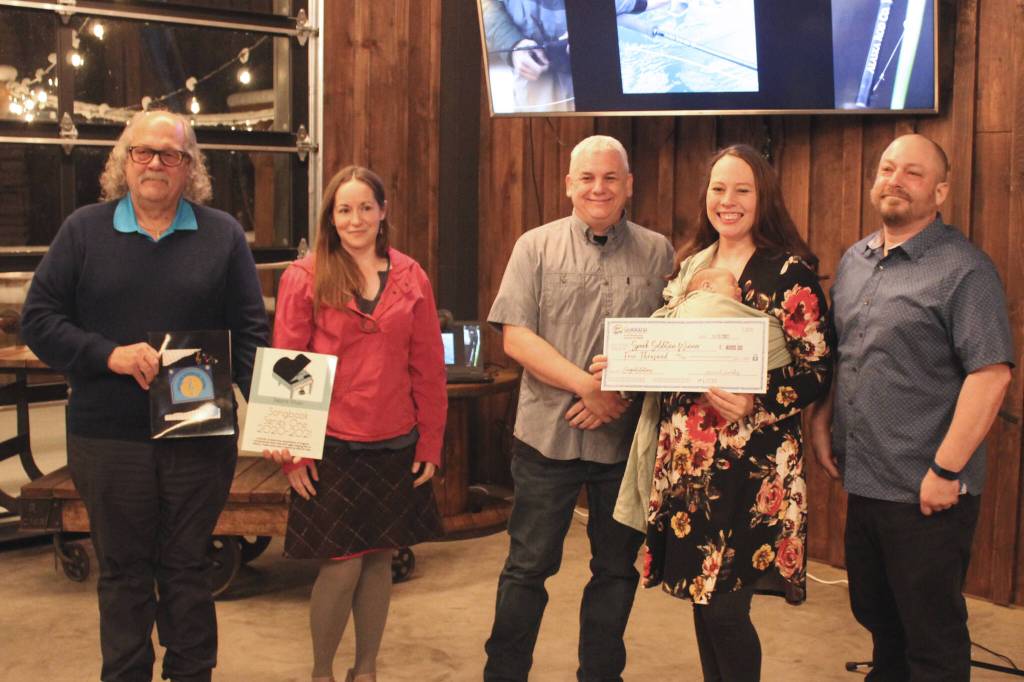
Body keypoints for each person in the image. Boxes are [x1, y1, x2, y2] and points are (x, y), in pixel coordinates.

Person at [21, 109, 269, 682]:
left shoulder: (223, 235)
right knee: (124, 575)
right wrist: (108, 354)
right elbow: (39, 319)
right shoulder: (84, 230)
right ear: (124, 161)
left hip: (200, 441)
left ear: (190, 168)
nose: (156, 163)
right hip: (108, 440)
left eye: (171, 154)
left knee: (187, 570)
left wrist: (282, 424)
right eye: (144, 152)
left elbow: (251, 336)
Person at [614, 143, 833, 682]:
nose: (727, 201)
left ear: (764, 198)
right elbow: (670, 349)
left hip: (751, 471)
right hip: (687, 464)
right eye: (717, 188)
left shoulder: (788, 273)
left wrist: (757, 397)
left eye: (742, 190)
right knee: (702, 599)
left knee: (726, 608)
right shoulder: (692, 265)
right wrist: (623, 363)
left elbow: (818, 370)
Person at [808, 134, 1013, 681]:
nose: (895, 180)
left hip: (927, 491)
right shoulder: (855, 261)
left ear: (941, 191)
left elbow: (991, 376)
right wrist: (823, 420)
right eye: (887, 168)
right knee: (879, 619)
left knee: (932, 638)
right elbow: (844, 353)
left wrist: (945, 470)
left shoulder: (964, 270)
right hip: (865, 481)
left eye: (913, 173)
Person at [484, 134, 675, 682]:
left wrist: (619, 393)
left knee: (616, 572)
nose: (599, 187)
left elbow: (666, 343)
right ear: (568, 185)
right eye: (587, 177)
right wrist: (585, 387)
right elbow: (516, 338)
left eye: (611, 177)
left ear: (629, 186)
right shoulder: (534, 247)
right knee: (527, 569)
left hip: (623, 443)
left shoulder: (659, 251)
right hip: (548, 437)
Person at [264, 165, 446, 682]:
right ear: (331, 216)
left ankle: (364, 671)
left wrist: (429, 441)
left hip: (396, 441)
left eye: (366, 207)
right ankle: (321, 673)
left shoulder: (412, 277)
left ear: (383, 212)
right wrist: (292, 451)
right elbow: (288, 360)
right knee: (340, 565)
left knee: (379, 561)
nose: (356, 218)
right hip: (331, 445)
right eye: (344, 209)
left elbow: (428, 366)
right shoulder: (304, 276)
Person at [481, 0, 670, 112]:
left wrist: (590, 23)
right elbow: (486, 5)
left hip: (598, 83)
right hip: (534, 79)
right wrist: (512, 43)